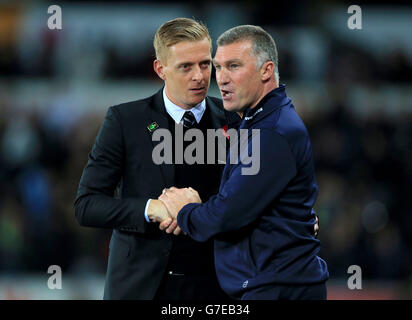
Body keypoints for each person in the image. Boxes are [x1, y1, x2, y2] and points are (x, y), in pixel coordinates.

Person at [158, 25, 329, 300]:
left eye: (234, 66)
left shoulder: (271, 133)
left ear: (266, 70)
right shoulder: (254, 123)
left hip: (279, 289)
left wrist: (185, 210)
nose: (222, 78)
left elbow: (227, 214)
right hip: (273, 285)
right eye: (218, 67)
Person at [74, 18, 237, 300]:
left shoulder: (236, 122)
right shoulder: (125, 121)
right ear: (160, 69)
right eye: (185, 66)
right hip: (139, 287)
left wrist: (200, 210)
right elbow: (87, 206)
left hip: (215, 286)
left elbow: (252, 200)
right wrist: (153, 209)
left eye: (205, 64)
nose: (199, 76)